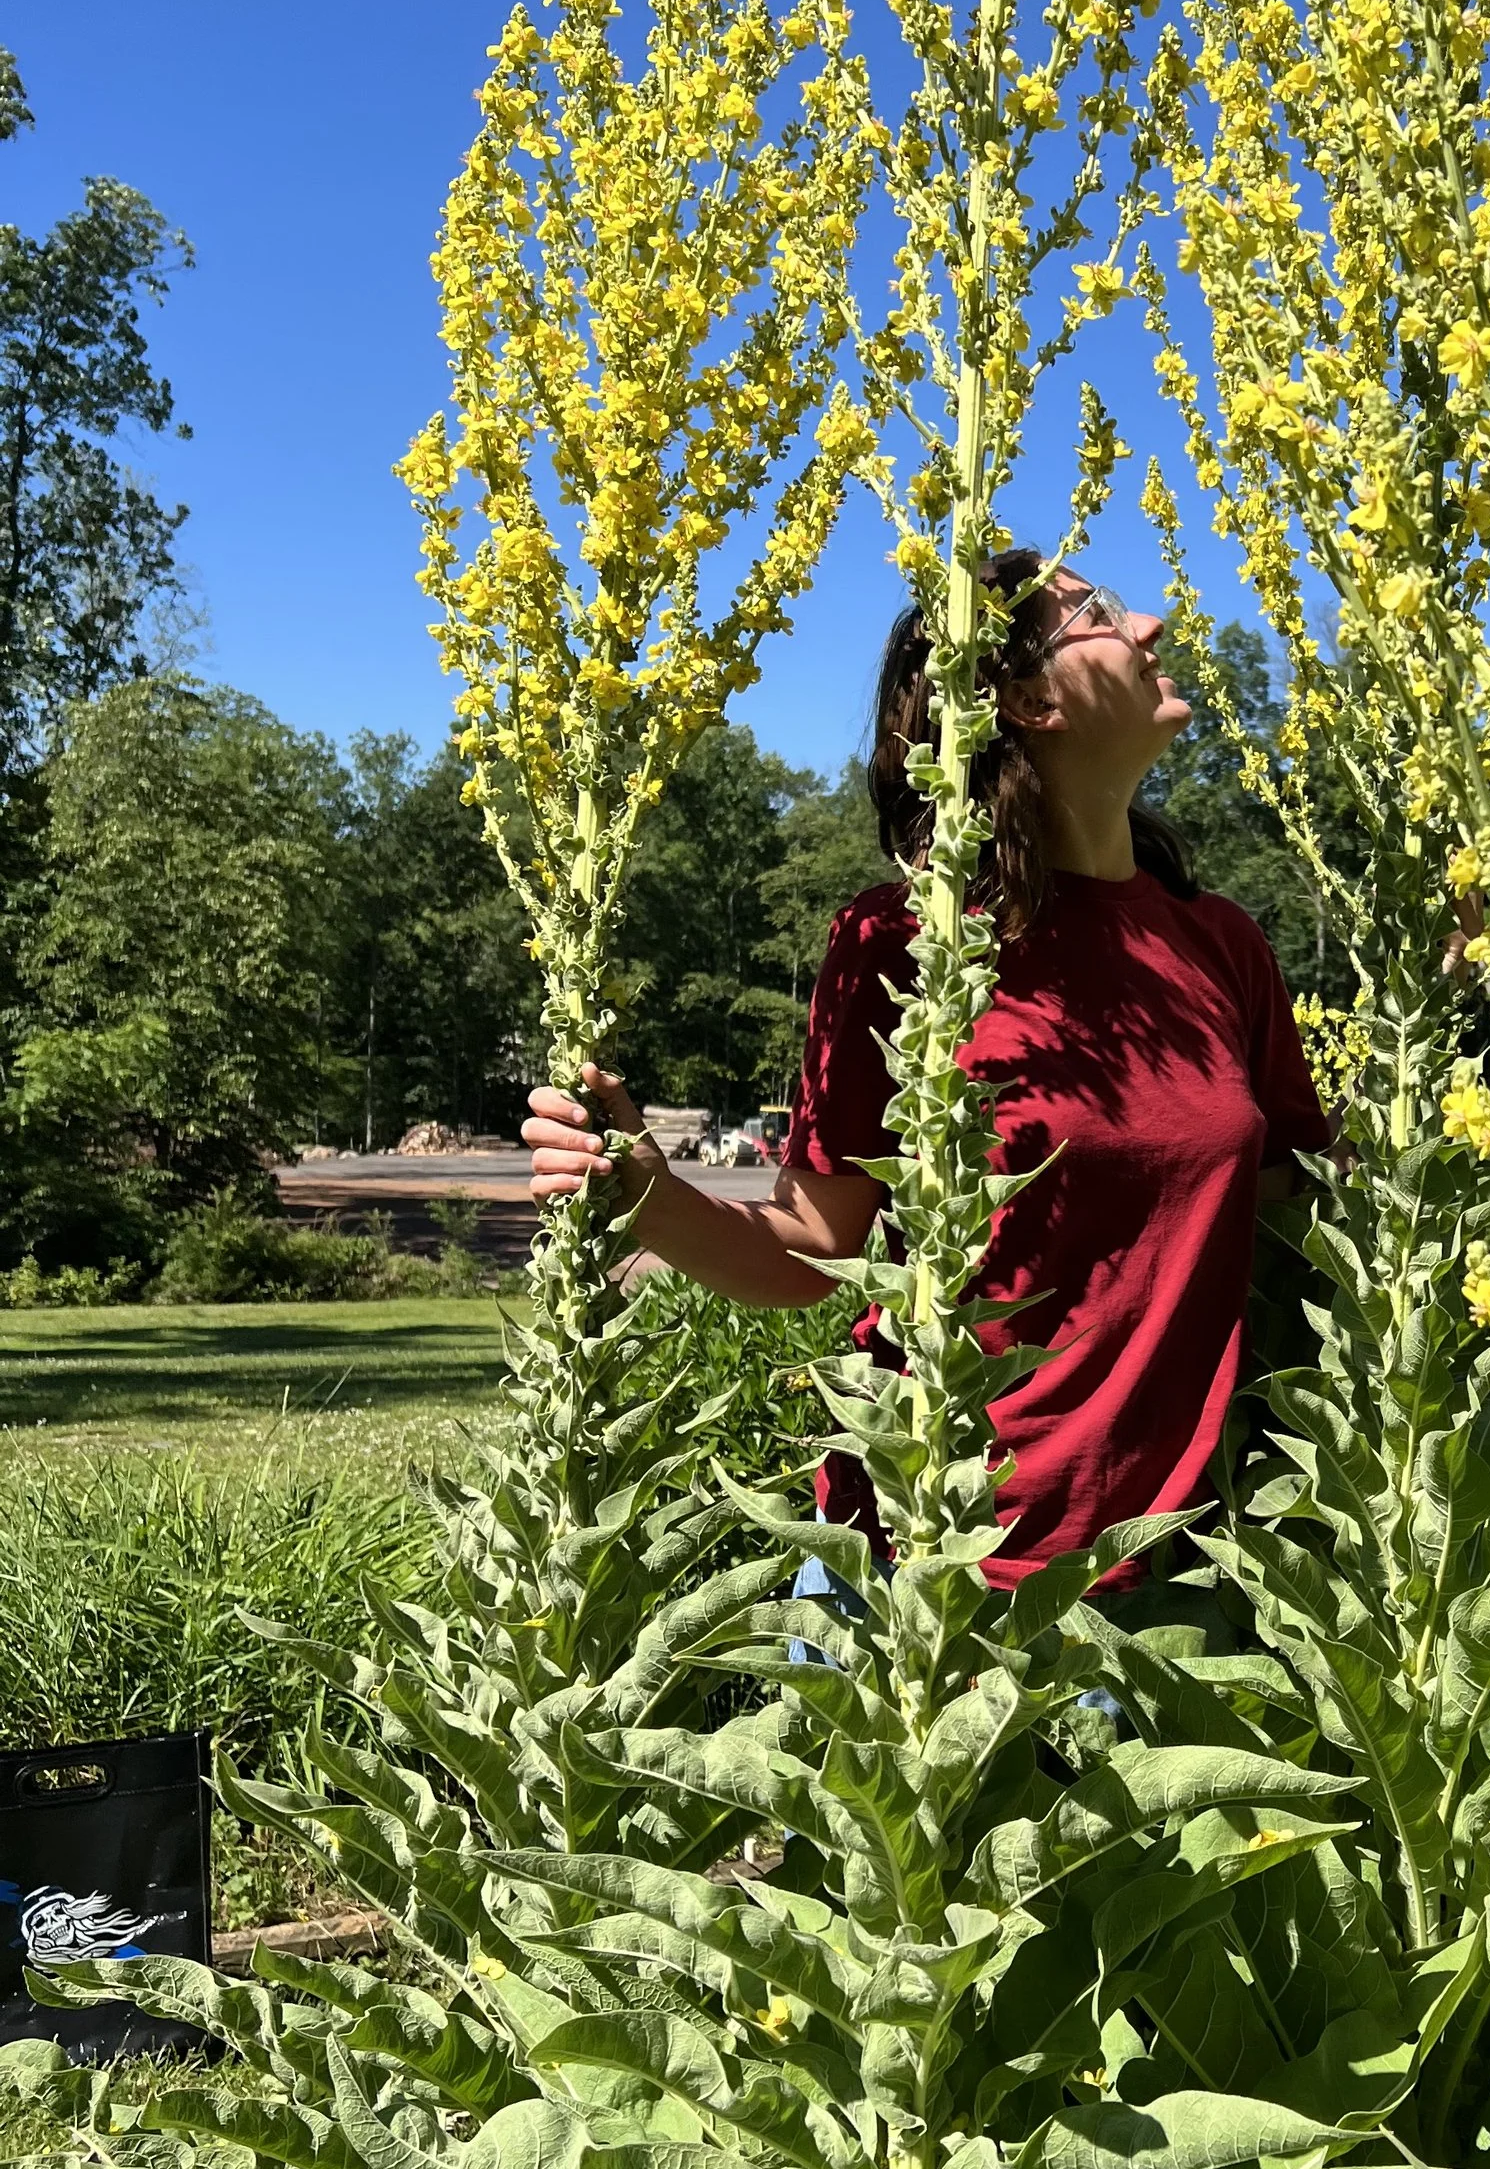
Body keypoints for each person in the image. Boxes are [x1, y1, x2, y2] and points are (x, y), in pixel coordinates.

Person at [523, 553, 1331, 1584]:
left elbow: (1285, 1226)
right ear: (1026, 699)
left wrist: (1434, 984)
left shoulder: (1220, 944)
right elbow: (813, 1243)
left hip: (1170, 1575)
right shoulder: (901, 945)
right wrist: (650, 1197)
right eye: (1099, 611)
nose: (1152, 625)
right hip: (928, 1574)